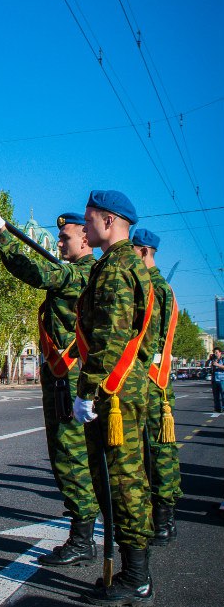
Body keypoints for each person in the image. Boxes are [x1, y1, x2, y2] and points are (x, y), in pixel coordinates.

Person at [0, 207, 99, 565]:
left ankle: (82, 538)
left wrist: (2, 231)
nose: (61, 243)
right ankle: (83, 531)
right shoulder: (76, 271)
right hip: (62, 376)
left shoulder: (85, 273)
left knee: (70, 456)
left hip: (71, 377)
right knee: (68, 455)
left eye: (66, 238)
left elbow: (37, 272)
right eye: (59, 238)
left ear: (85, 238)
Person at [74, 190, 156, 607]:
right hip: (126, 387)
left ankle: (137, 578)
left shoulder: (115, 268)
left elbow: (109, 337)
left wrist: (88, 390)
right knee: (126, 479)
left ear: (108, 221)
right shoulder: (128, 265)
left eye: (88, 221)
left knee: (123, 484)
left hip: (114, 393)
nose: (85, 230)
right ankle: (133, 571)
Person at [132, 228, 182, 543]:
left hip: (153, 381)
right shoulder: (151, 286)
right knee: (147, 451)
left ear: (142, 252)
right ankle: (155, 515)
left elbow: (154, 341)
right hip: (145, 380)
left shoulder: (156, 289)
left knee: (160, 450)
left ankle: (163, 518)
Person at [209, 348, 224, 413]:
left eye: (217, 352)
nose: (215, 354)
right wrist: (210, 360)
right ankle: (217, 408)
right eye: (214, 352)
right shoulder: (213, 360)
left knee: (223, 395)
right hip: (214, 379)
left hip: (222, 379)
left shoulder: (223, 359)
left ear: (220, 353)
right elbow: (208, 366)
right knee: (215, 395)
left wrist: (218, 365)